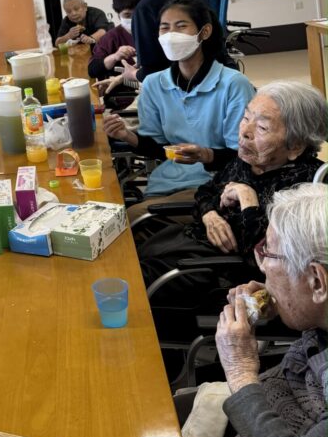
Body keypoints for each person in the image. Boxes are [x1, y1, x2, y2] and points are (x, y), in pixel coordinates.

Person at [192, 185, 328, 437]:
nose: (262, 267)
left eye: (271, 255)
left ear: (317, 279)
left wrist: (239, 370)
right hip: (287, 399)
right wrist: (281, 300)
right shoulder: (320, 298)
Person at [137, 81, 328, 298]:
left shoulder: (308, 189)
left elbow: (268, 262)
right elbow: (205, 191)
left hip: (215, 271)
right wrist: (210, 215)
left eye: (262, 128)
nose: (245, 132)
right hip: (190, 243)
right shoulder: (249, 160)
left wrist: (248, 200)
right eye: (246, 118)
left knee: (130, 278)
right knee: (127, 246)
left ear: (295, 146)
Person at [102, 0, 255, 213]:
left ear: (204, 32)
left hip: (218, 187)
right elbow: (159, 148)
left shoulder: (233, 85)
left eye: (181, 26)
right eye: (164, 28)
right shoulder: (155, 84)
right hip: (166, 183)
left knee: (130, 223)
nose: (171, 35)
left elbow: (243, 157)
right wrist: (126, 136)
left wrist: (205, 155)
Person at [87, 0, 145, 80]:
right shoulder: (111, 37)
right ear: (118, 15)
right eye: (127, 15)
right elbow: (92, 70)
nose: (134, 19)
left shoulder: (157, 32)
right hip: (125, 89)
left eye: (138, 13)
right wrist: (115, 56)